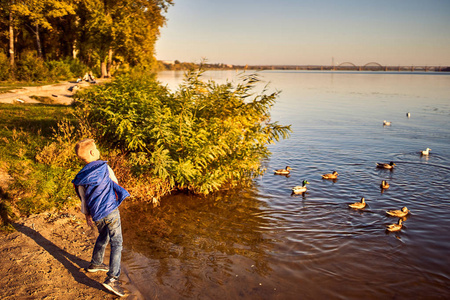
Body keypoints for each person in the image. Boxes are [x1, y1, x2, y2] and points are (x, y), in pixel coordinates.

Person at [72, 139, 130, 297]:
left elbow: (83, 199)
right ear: (92, 153)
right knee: (117, 243)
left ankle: (96, 263)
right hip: (110, 211)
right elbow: (115, 183)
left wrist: (87, 215)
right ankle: (112, 279)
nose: (97, 150)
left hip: (96, 214)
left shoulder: (81, 177)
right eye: (96, 148)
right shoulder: (104, 167)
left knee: (103, 235)